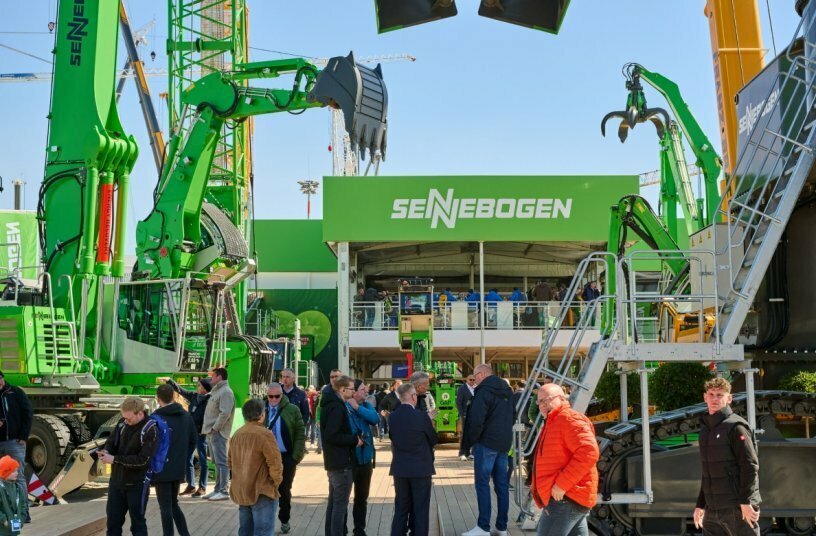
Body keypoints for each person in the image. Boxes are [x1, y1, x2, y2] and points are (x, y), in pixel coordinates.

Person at [693, 377, 761, 536]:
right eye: (711, 394)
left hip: (737, 508)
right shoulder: (706, 429)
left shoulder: (736, 427)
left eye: (720, 395)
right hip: (712, 509)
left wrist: (745, 501)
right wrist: (700, 505)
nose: (714, 399)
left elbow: (750, 466)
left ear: (729, 398)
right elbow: (708, 472)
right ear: (705, 397)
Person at [531, 384, 599, 536]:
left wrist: (562, 484)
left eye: (547, 400)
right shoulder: (554, 420)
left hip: (566, 496)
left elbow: (589, 452)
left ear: (561, 398)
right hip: (568, 496)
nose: (542, 405)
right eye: (539, 401)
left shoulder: (569, 418)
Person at [461, 364, 514, 536]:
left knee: (482, 484)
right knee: (502, 485)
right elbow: (513, 415)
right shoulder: (507, 391)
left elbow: (476, 420)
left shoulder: (483, 391)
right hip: (504, 444)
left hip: (486, 444)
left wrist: (473, 441)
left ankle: (483, 527)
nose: (474, 379)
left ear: (483, 374)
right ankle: (502, 527)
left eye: (475, 376)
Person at [99, 397, 159, 536]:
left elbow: (142, 460)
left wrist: (114, 459)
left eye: (129, 418)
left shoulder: (151, 430)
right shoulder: (122, 423)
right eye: (124, 417)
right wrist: (106, 451)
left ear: (140, 413)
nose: (126, 421)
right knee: (113, 523)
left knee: (137, 524)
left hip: (137, 484)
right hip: (116, 483)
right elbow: (111, 442)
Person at [389, 382, 438, 536]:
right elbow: (433, 439)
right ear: (413, 397)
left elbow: (393, 437)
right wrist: (428, 421)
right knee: (421, 508)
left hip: (400, 469)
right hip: (421, 469)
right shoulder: (421, 416)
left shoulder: (393, 417)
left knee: (401, 507)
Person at [229, 398, 283, 536]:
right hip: (262, 490)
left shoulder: (237, 434)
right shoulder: (265, 434)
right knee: (263, 532)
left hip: (242, 490)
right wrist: (275, 483)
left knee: (245, 531)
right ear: (262, 414)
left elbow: (230, 462)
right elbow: (275, 463)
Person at [320, 375, 362, 536]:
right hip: (341, 463)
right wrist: (354, 440)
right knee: (339, 507)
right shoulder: (337, 407)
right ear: (342, 389)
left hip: (334, 462)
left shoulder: (330, 404)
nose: (353, 392)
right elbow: (332, 435)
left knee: (334, 504)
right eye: (352, 389)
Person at [152, 384, 196, 536]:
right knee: (173, 504)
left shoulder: (155, 418)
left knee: (165, 506)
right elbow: (193, 440)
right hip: (178, 467)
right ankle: (185, 534)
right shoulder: (186, 416)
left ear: (158, 399)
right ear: (174, 396)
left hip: (161, 467)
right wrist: (182, 456)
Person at [264, 382, 306, 534]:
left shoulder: (292, 409)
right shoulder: (262, 409)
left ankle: (284, 518)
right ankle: (266, 523)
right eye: (270, 396)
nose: (274, 399)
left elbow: (300, 433)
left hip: (286, 457)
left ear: (282, 395)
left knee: (284, 489)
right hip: (266, 459)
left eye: (277, 396)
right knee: (265, 490)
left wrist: (295, 457)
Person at [346, 379, 380, 536]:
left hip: (365, 459)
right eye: (362, 389)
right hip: (349, 459)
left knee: (362, 497)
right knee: (343, 498)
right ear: (353, 391)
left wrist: (358, 407)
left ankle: (359, 529)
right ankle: (341, 529)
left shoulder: (365, 406)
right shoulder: (344, 408)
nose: (366, 391)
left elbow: (375, 419)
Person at [167, 377, 211, 497]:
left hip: (202, 434)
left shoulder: (210, 400)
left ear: (205, 389)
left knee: (203, 460)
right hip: (190, 432)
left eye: (200, 386)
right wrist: (170, 381)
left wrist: (206, 429)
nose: (197, 387)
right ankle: (191, 485)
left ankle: (202, 486)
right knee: (188, 458)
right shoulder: (194, 396)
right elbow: (181, 390)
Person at [0, 372, 31, 523]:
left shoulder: (16, 392)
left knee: (17, 476)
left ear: (3, 378)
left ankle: (24, 512)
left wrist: (23, 436)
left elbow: (27, 414)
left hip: (14, 442)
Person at [201, 367, 235, 501]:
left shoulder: (226, 392)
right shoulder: (217, 391)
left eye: (213, 376)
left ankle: (223, 490)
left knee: (222, 462)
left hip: (218, 432)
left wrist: (215, 428)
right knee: (216, 462)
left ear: (219, 377)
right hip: (212, 432)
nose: (210, 379)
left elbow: (225, 412)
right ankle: (217, 489)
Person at [0, 456, 23, 535]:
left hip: (15, 528)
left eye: (17, 470)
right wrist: (4, 521)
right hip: (2, 530)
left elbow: (24, 504)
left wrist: (22, 518)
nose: (17, 473)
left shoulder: (18, 487)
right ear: (6, 472)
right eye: (13, 471)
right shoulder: (1, 488)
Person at [456, 375, 476, 461]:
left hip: (474, 415)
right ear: (467, 380)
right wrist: (462, 414)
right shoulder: (462, 389)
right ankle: (462, 453)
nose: (472, 381)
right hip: (465, 414)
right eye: (470, 379)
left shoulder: (476, 388)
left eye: (473, 380)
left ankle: (471, 453)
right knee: (465, 434)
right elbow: (458, 402)